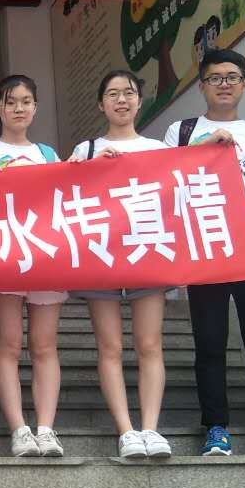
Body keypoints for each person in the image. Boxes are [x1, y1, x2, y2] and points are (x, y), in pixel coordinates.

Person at [165, 48, 245, 458]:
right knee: (209, 341)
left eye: (231, 77)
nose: (224, 85)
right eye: (215, 78)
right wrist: (205, 146)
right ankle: (216, 428)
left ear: (244, 85)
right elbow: (165, 181)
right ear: (202, 86)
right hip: (205, 247)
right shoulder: (182, 131)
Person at [69, 69, 172, 461]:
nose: (121, 100)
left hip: (148, 252)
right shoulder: (86, 149)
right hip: (102, 254)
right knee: (110, 346)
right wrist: (87, 166)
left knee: (149, 343)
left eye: (128, 93)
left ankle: (151, 428)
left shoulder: (157, 149)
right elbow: (64, 190)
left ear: (139, 101)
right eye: (112, 94)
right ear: (101, 104)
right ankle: (126, 431)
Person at [0, 74, 66, 459]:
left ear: (35, 108)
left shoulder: (48, 154)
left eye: (25, 101)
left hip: (45, 257)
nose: (19, 108)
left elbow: (64, 201)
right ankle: (19, 429)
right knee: (8, 344)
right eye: (11, 102)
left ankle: (46, 428)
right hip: (3, 255)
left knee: (44, 345)